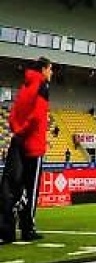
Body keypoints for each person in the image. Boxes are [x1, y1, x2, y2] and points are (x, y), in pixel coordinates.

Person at [1, 57, 52, 243]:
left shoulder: (24, 87)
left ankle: (6, 230)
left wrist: (17, 131)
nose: (51, 72)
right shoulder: (42, 86)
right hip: (33, 145)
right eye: (50, 69)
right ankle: (27, 228)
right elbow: (37, 116)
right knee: (31, 190)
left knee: (12, 186)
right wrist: (24, 131)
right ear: (43, 69)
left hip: (18, 142)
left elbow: (12, 115)